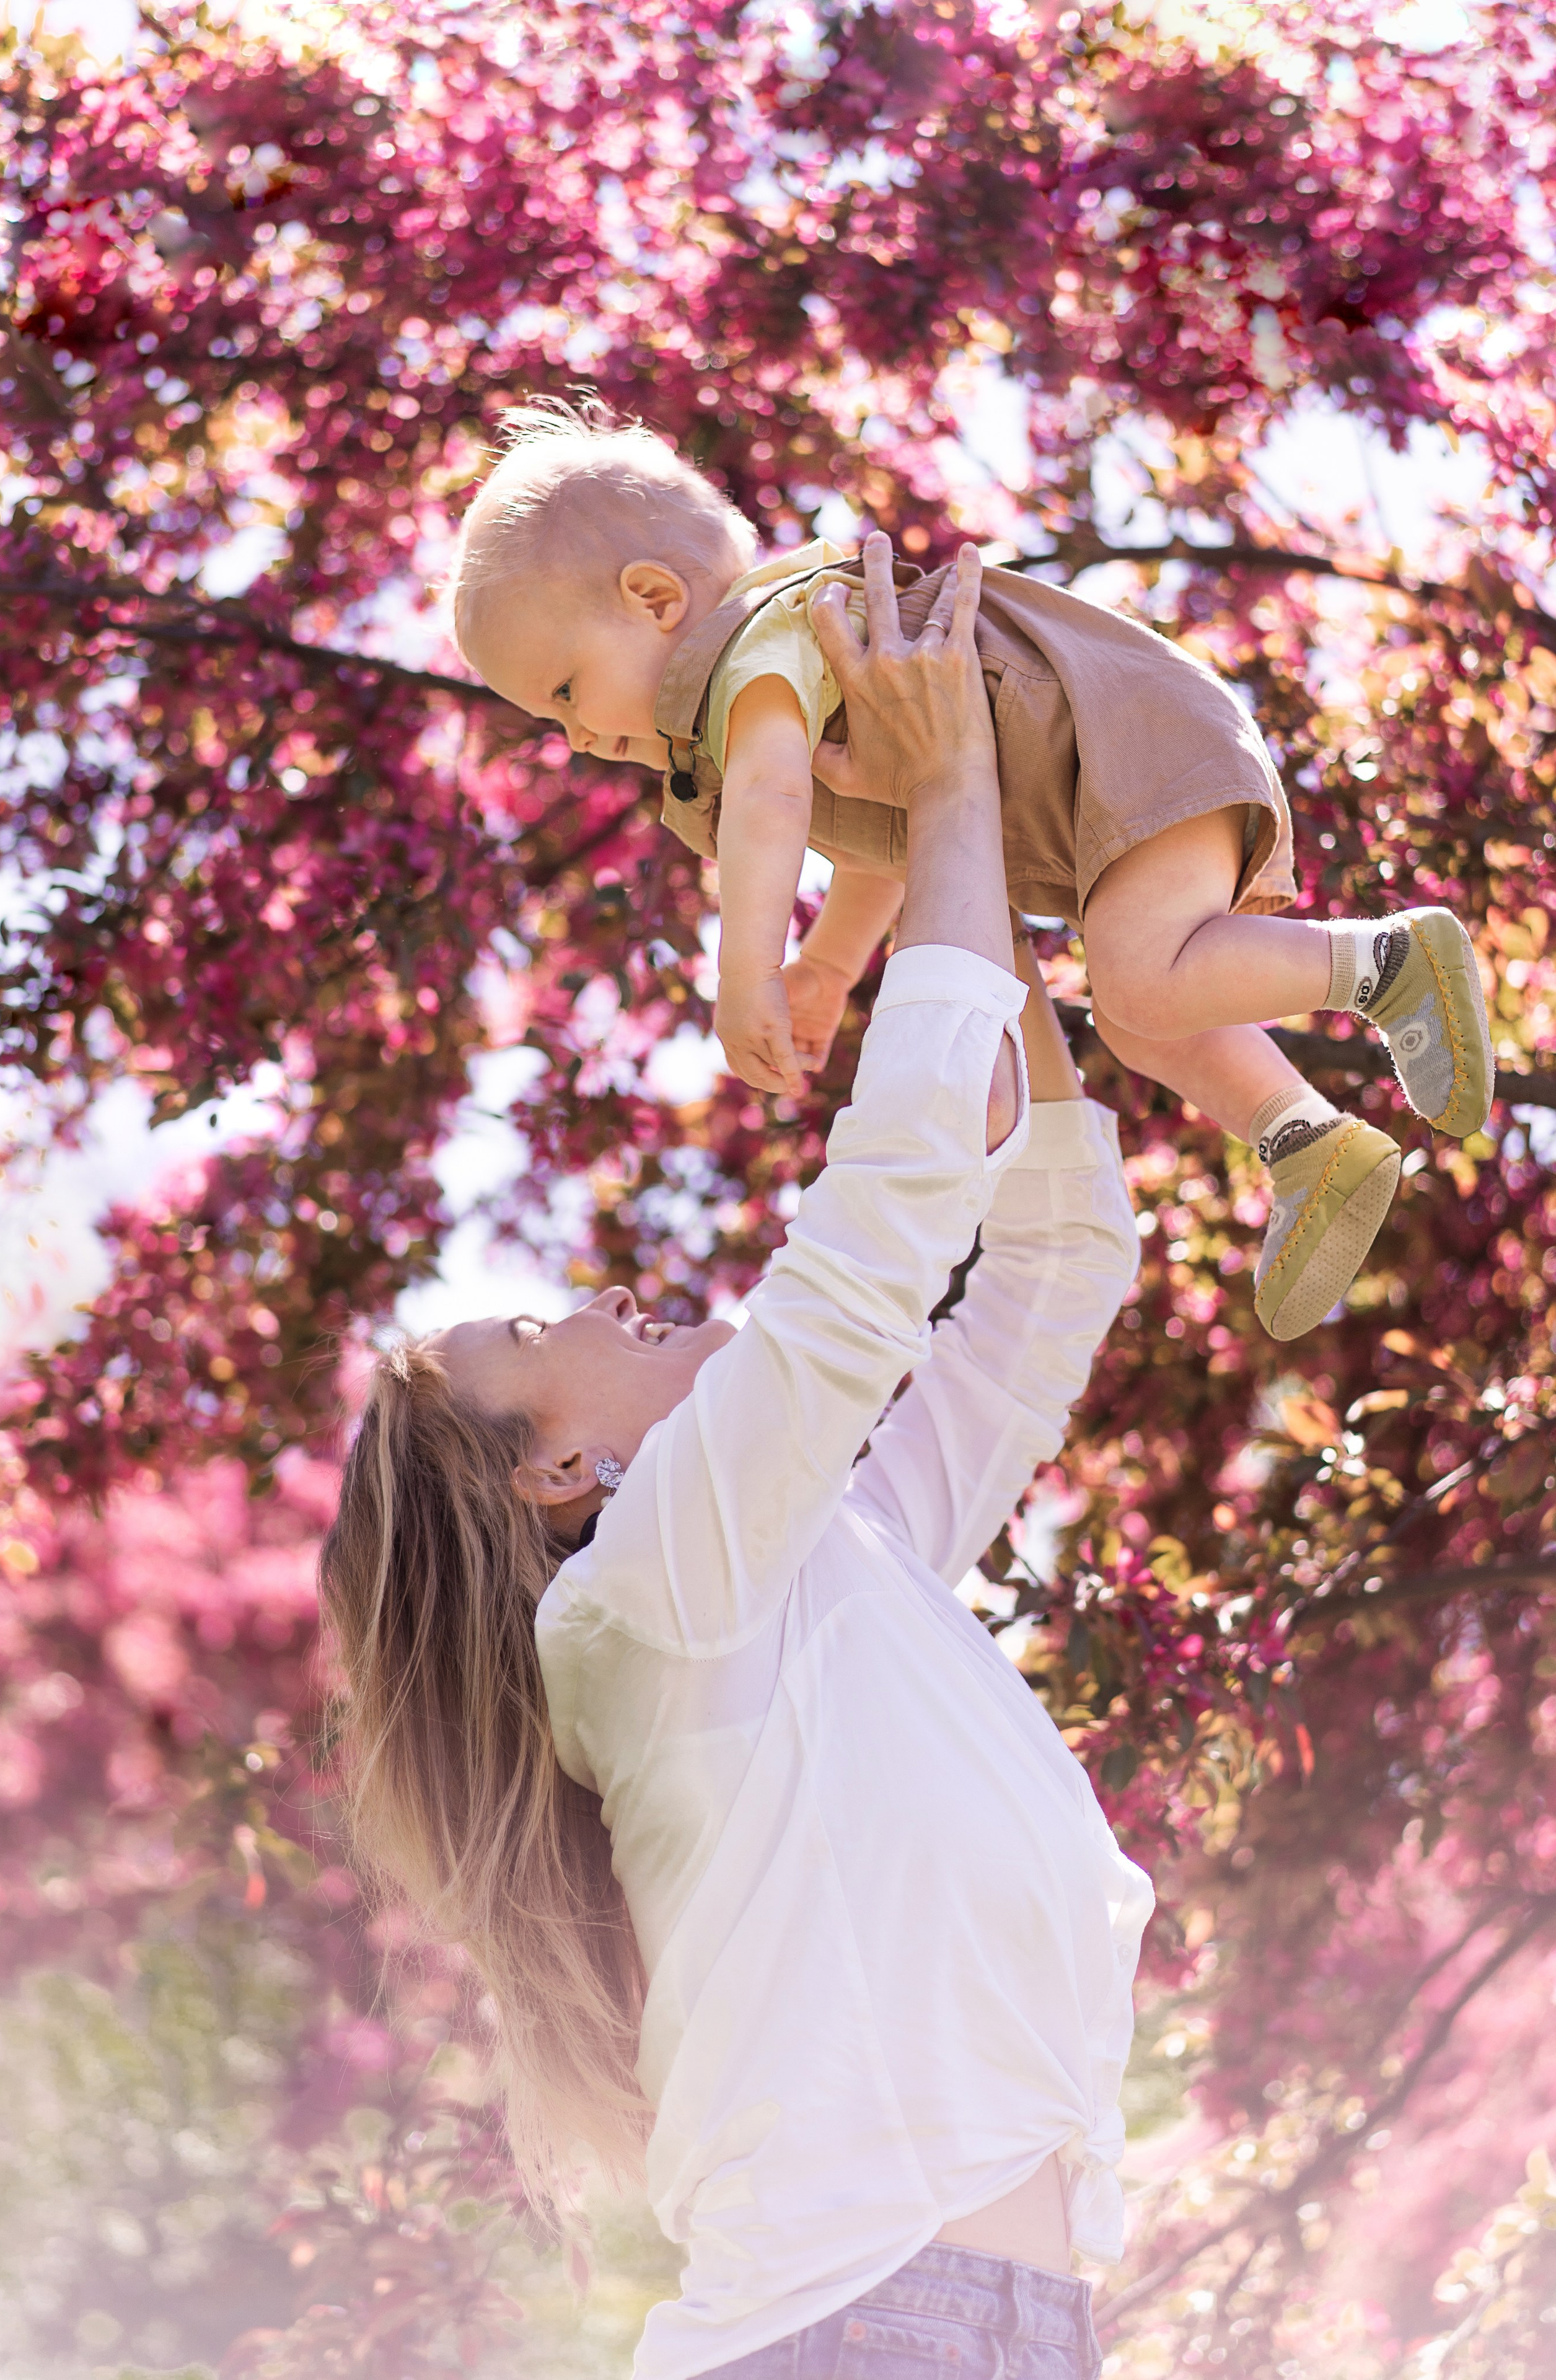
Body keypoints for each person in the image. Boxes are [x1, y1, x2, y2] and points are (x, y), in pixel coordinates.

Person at [320, 541, 1152, 2380]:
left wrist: (986, 863)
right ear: (557, 1482)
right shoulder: (639, 1609)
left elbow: (1050, 1269)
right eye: (544, 1341)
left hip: (988, 2329)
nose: (611, 1294)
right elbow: (875, 1246)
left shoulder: (828, 1559)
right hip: (862, 2329)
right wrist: (935, 793)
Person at [449, 400, 1493, 1343]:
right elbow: (890, 842)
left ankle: (1390, 962)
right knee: (1138, 1012)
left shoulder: (760, 653)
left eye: (567, 691)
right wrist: (825, 962)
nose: (578, 737)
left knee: (1139, 977)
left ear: (653, 598)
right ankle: (1305, 1137)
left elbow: (770, 811)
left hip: (1120, 741)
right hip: (1105, 788)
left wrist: (749, 974)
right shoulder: (777, 693)